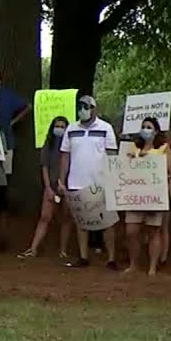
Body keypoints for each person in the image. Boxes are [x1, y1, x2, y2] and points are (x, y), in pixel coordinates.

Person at [60, 94, 120, 270]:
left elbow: (111, 155)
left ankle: (111, 258)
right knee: (81, 221)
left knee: (107, 221)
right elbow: (65, 156)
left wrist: (112, 179)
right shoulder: (71, 129)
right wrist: (61, 180)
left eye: (86, 107)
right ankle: (83, 256)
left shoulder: (106, 128)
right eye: (80, 107)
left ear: (94, 108)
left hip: (101, 182)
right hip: (77, 181)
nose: (83, 110)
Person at [0, 75, 32, 252]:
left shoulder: (7, 96)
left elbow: (28, 106)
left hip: (4, 147)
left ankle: (2, 236)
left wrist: (11, 123)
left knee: (1, 194)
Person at [123, 118, 171, 276]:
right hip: (134, 197)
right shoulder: (133, 148)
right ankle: (133, 264)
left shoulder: (163, 149)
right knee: (131, 231)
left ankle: (152, 267)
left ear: (155, 131)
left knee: (153, 231)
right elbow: (122, 169)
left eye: (149, 127)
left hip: (155, 198)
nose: (145, 129)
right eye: (143, 127)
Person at [18, 117, 73, 259]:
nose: (59, 129)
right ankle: (33, 248)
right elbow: (44, 167)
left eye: (62, 126)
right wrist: (48, 187)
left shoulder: (72, 146)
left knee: (66, 218)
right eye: (57, 126)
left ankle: (63, 250)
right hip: (52, 186)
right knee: (45, 217)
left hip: (68, 186)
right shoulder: (48, 145)